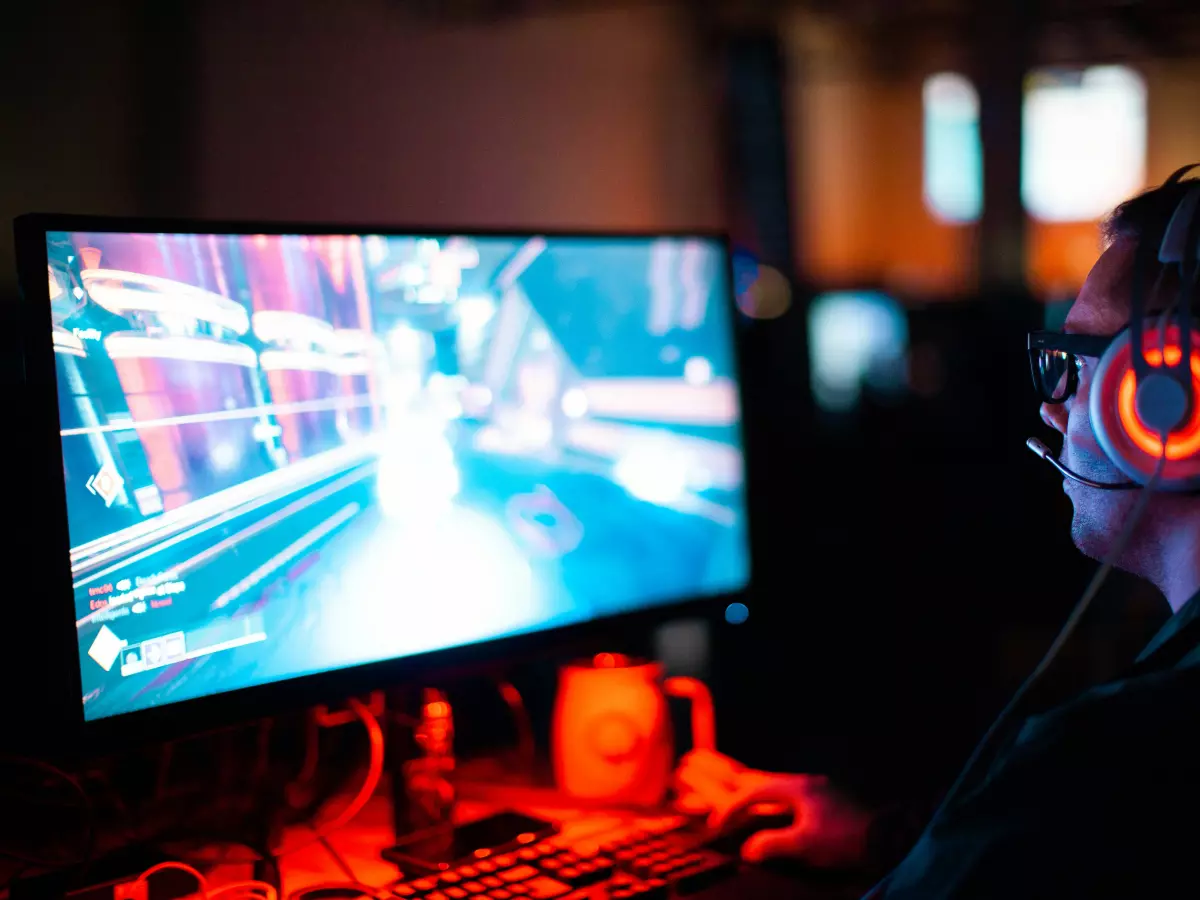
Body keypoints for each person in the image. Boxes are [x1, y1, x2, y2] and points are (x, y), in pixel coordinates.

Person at [675, 167, 1200, 897]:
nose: (1051, 410)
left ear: (1176, 404)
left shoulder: (1112, 758)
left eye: (1080, 365)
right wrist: (875, 837)